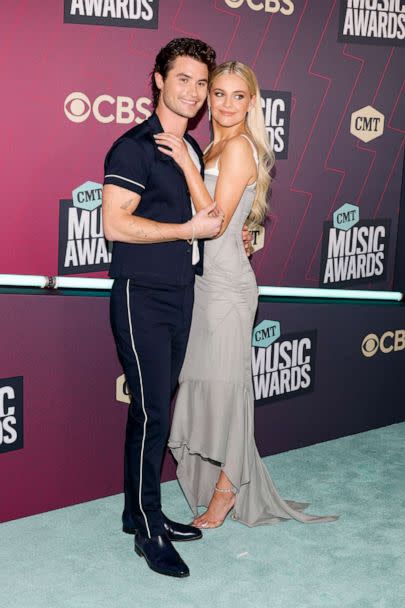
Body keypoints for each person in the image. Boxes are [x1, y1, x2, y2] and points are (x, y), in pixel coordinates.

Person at [155, 61, 338, 529]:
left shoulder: (236, 148)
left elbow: (212, 219)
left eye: (239, 96)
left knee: (227, 391)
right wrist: (249, 230)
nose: (227, 104)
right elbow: (233, 221)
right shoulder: (213, 145)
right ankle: (219, 480)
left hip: (227, 289)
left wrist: (183, 163)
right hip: (200, 283)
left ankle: (227, 491)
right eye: (219, 93)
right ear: (208, 98)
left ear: (252, 102)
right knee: (202, 383)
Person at [102, 38, 224, 578]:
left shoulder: (192, 149)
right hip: (140, 295)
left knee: (150, 410)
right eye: (183, 79)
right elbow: (114, 224)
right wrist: (185, 231)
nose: (194, 92)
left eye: (201, 83)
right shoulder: (133, 147)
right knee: (153, 413)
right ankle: (149, 530)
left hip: (181, 294)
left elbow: (208, 217)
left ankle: (137, 510)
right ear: (157, 79)